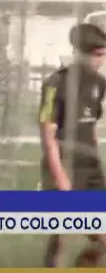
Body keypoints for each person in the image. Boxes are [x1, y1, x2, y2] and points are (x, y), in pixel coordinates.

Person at [39, 22, 106, 267]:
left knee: (102, 237)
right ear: (80, 53)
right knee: (62, 237)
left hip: (90, 171)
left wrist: (96, 163)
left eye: (104, 54)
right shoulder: (54, 84)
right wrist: (61, 179)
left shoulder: (99, 83)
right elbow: (48, 134)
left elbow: (91, 126)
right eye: (97, 55)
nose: (102, 60)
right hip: (64, 168)